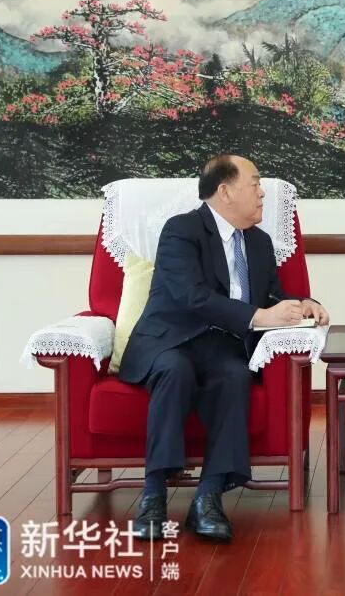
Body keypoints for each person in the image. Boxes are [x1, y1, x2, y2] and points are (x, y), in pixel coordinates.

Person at [120, 154, 329, 542]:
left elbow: (272, 295)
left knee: (235, 375)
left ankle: (209, 497)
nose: (262, 192)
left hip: (222, 346)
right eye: (255, 183)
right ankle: (153, 495)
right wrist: (259, 316)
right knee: (175, 370)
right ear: (225, 191)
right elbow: (191, 297)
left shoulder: (259, 242)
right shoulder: (182, 230)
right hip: (172, 338)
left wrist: (305, 303)